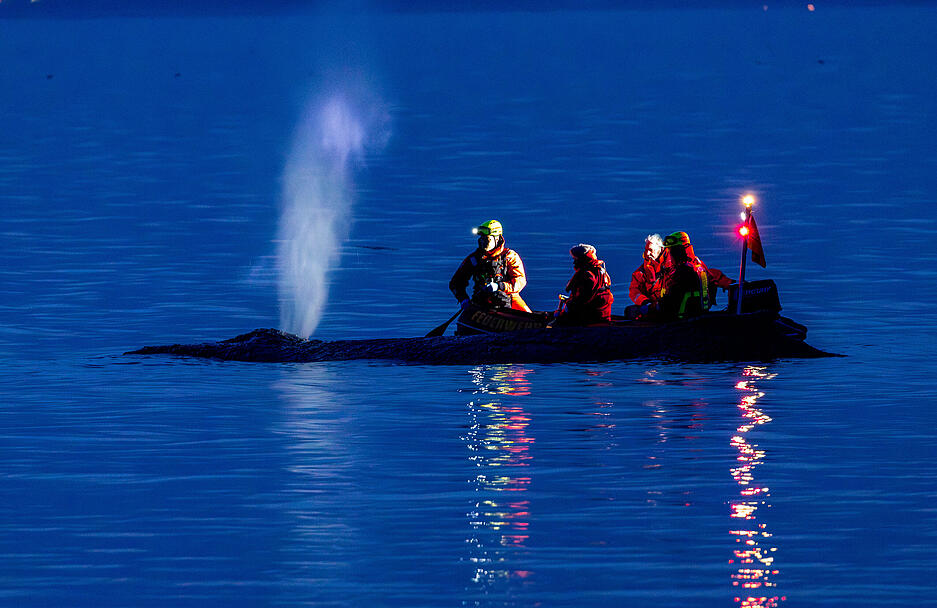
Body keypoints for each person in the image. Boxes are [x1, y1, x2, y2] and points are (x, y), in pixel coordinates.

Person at [449, 219, 531, 312]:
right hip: (481, 302)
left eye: (486, 239)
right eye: (481, 238)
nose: (482, 242)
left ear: (497, 239)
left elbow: (520, 282)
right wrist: (463, 299)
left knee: (530, 316)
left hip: (508, 300)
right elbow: (455, 283)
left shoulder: (509, 257)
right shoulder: (474, 259)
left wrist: (499, 286)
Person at [651, 231, 712, 320]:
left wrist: (650, 307)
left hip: (682, 319)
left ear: (678, 251)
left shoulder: (683, 271)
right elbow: (712, 287)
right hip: (700, 315)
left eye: (671, 250)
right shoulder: (699, 266)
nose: (669, 255)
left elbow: (670, 303)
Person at [553, 243, 614, 326]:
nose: (574, 262)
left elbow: (582, 300)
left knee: (558, 321)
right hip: (602, 314)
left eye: (576, 259)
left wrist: (568, 304)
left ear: (582, 259)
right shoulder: (601, 271)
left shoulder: (587, 275)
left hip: (590, 317)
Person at [629, 233, 664, 306]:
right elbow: (634, 291)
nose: (647, 253)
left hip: (668, 305)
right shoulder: (640, 273)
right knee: (630, 311)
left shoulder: (669, 267)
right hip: (649, 306)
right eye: (646, 250)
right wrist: (645, 302)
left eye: (651, 250)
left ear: (660, 249)